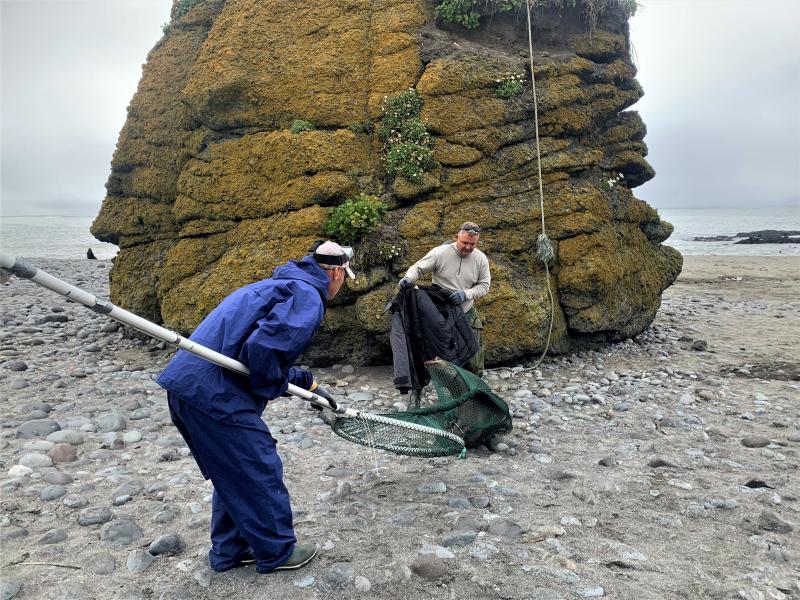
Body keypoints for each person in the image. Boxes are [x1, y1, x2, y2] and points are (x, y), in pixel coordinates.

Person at [156, 241, 354, 574]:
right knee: (257, 465)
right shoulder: (307, 296)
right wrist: (272, 386)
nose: (343, 282)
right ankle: (276, 551)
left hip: (188, 384)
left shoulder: (277, 285)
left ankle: (232, 550)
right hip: (214, 394)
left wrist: (308, 384)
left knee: (233, 473)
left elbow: (249, 352)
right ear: (335, 272)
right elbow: (261, 351)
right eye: (345, 275)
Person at [399, 222, 491, 376]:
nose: (468, 247)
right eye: (465, 243)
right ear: (457, 237)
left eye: (472, 244)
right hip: (441, 314)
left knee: (475, 358)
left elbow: (484, 286)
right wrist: (408, 278)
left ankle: (476, 392)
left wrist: (465, 294)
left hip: (467, 313)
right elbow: (418, 268)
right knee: (444, 356)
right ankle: (450, 389)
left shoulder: (480, 259)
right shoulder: (439, 253)